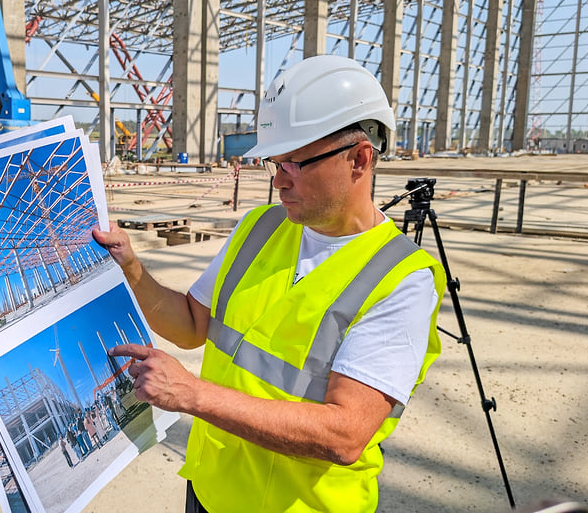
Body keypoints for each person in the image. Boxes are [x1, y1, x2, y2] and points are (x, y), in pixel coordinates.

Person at [93, 55, 446, 512]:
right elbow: (192, 325)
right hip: (210, 489)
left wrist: (191, 393)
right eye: (274, 163)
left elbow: (344, 435)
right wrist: (132, 268)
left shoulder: (401, 279)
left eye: (295, 163)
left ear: (359, 159)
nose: (279, 181)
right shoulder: (260, 227)